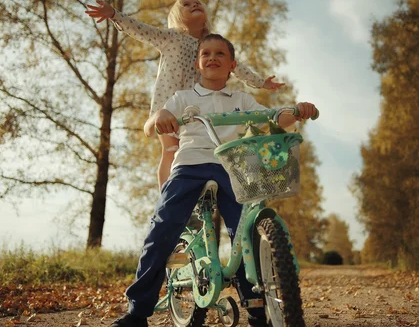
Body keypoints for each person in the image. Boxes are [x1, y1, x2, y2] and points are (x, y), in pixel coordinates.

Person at [111, 34, 317, 327]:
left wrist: (297, 111)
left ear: (232, 65)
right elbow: (149, 126)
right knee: (163, 228)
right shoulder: (183, 98)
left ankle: (258, 308)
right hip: (190, 166)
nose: (212, 58)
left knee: (244, 232)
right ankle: (137, 311)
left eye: (220, 54)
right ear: (198, 62)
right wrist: (160, 116)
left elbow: (273, 118)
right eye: (206, 53)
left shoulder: (242, 100)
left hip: (232, 167)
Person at [85, 0, 284, 191]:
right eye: (186, 5)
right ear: (177, 16)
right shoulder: (171, 37)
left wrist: (261, 83)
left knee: (194, 154)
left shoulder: (209, 46)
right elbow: (142, 30)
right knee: (171, 152)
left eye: (197, 3)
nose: (194, 5)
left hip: (195, 108)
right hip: (168, 109)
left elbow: (237, 67)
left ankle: (202, 199)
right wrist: (113, 14)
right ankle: (166, 198)